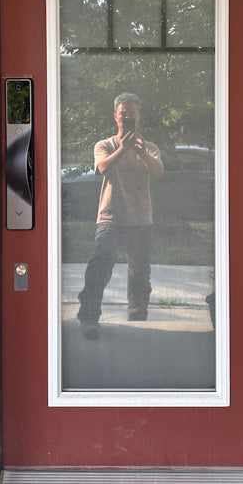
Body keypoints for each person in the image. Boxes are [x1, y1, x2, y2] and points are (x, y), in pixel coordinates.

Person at [77, 92, 164, 339]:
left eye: (131, 114)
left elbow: (158, 171)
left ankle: (137, 323)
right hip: (110, 218)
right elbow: (102, 167)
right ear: (115, 117)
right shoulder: (104, 145)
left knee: (140, 277)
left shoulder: (150, 147)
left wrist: (140, 151)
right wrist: (123, 148)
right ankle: (89, 318)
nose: (126, 117)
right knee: (100, 265)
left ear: (139, 117)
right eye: (122, 113)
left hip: (141, 220)